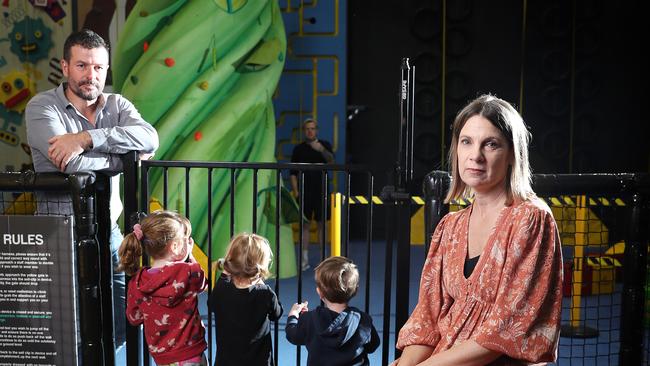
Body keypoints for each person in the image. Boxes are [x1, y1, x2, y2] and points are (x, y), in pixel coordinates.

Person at [391, 94, 563, 366]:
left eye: (491, 144)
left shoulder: (530, 218)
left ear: (512, 155)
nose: (475, 156)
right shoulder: (450, 227)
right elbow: (427, 317)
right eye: (466, 142)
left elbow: (504, 332)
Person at [25, 29, 159, 347]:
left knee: (120, 319)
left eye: (99, 67)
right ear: (66, 67)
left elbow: (150, 138)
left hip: (108, 231)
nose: (91, 74)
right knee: (67, 326)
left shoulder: (116, 104)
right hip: (59, 233)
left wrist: (86, 139)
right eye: (82, 65)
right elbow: (69, 165)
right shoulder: (41, 107)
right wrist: (125, 159)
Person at [118, 210, 208, 366]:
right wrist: (190, 256)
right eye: (184, 240)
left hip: (163, 359)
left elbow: (134, 318)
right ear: (175, 247)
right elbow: (203, 283)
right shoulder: (188, 272)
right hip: (191, 354)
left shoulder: (137, 282)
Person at [286, 256, 380, 366]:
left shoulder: (310, 319)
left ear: (320, 293)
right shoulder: (363, 321)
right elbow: (373, 345)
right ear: (355, 290)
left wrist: (293, 316)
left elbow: (293, 335)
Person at [208, 233, 283, 366]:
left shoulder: (221, 289)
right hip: (259, 360)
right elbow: (276, 314)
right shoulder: (265, 293)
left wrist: (224, 274)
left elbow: (212, 305)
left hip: (227, 361)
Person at [290, 118, 334, 271]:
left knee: (323, 225)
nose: (310, 131)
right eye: (307, 128)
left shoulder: (325, 145)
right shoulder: (298, 149)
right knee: (305, 226)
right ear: (304, 131)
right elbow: (293, 173)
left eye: (313, 128)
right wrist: (296, 192)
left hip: (322, 192)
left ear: (317, 130)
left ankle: (324, 260)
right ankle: (304, 259)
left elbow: (332, 162)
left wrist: (321, 149)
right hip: (304, 193)